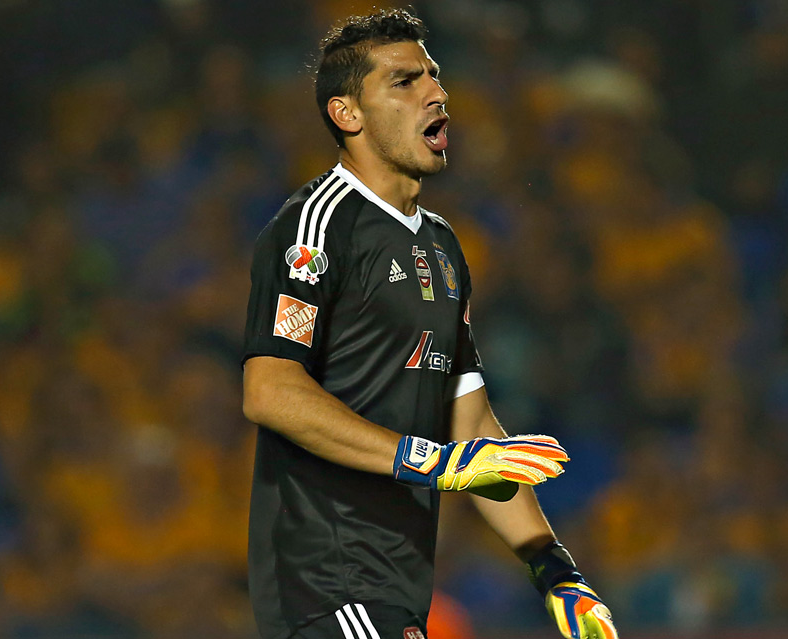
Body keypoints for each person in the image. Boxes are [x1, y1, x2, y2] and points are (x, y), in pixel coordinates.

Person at [240, 9, 619, 639]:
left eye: (434, 75)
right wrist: (432, 461)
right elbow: (270, 390)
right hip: (328, 579)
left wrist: (555, 570)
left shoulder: (442, 247)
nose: (436, 93)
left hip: (396, 588)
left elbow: (470, 427)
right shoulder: (317, 226)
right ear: (347, 114)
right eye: (404, 81)